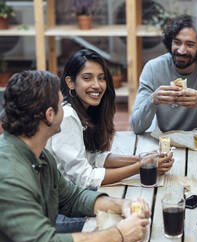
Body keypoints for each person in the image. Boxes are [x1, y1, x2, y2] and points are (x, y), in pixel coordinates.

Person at [0, 70, 150, 242]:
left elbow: (72, 198)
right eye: (61, 104)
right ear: (50, 115)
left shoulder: (40, 155)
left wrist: (123, 204)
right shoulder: (10, 175)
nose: (66, 109)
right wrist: (120, 234)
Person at [46, 49, 174, 190]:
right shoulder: (68, 116)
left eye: (101, 78)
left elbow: (93, 157)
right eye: (87, 78)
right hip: (62, 202)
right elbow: (85, 178)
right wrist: (140, 167)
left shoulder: (84, 110)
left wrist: (142, 159)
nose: (97, 85)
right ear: (70, 82)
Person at [130, 15, 197, 135]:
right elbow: (136, 127)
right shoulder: (153, 68)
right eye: (177, 42)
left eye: (190, 44)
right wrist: (152, 100)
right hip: (165, 145)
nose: (181, 50)